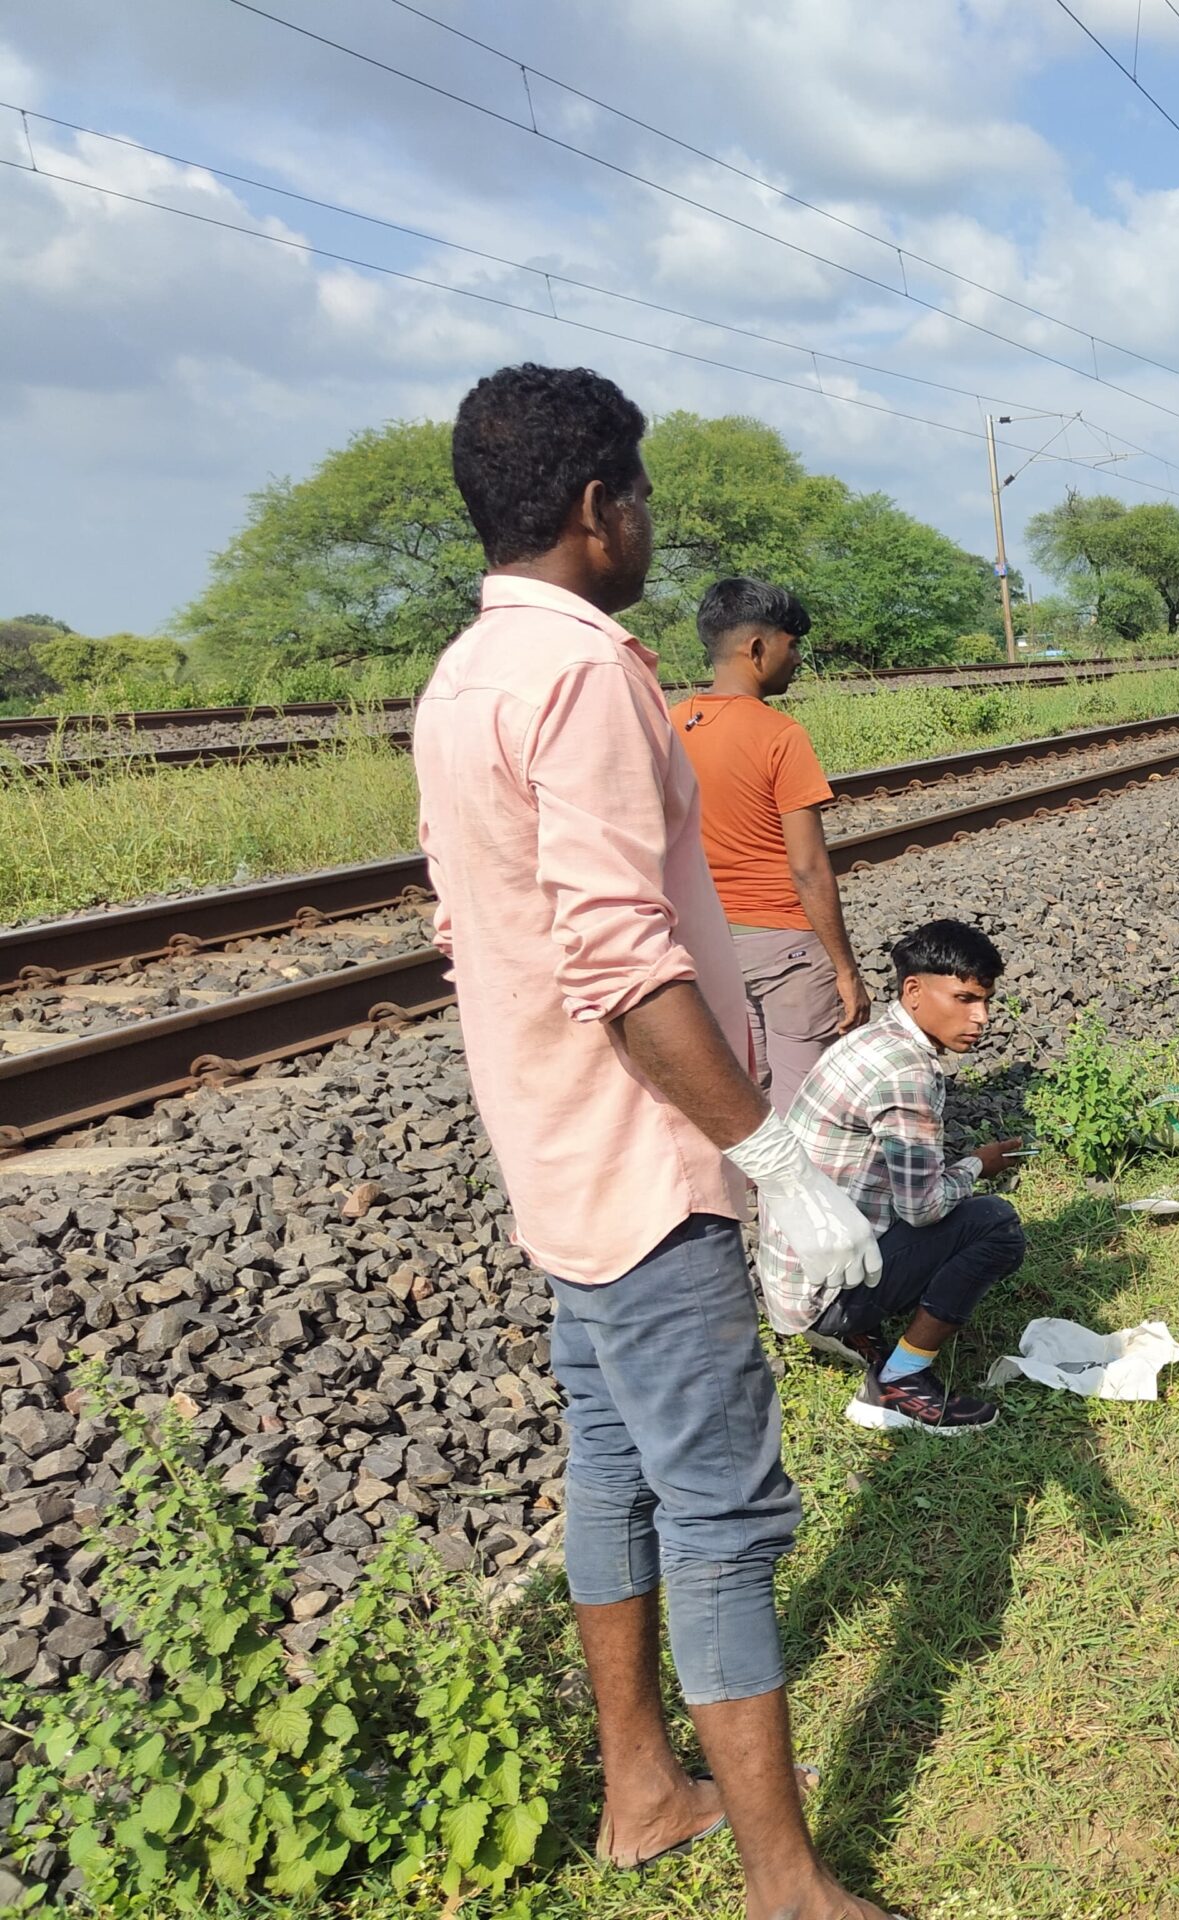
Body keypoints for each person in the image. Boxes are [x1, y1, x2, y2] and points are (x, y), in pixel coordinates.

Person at [415, 363, 898, 1920]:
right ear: (593, 509)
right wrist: (771, 1154)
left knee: (610, 1467)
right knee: (724, 1512)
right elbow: (626, 963)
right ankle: (787, 1888)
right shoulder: (586, 678)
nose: (645, 524)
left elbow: (472, 930)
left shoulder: (461, 679)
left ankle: (642, 1789)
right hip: (644, 1165)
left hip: (552, 1155)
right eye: (638, 496)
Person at [786, 919, 1028, 1432]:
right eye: (964, 999)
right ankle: (897, 1383)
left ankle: (855, 1328)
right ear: (913, 990)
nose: (981, 1017)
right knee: (995, 1226)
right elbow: (923, 1209)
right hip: (826, 1292)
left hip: (796, 1272)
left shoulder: (874, 1039)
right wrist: (976, 1167)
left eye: (985, 1001)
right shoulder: (908, 1072)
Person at [670, 577, 870, 1115]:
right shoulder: (780, 735)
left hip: (709, 941)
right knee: (807, 1111)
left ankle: (758, 1200)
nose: (798, 657)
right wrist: (845, 969)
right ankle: (799, 1200)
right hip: (785, 948)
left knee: (749, 1100)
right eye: (793, 643)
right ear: (757, 649)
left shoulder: (670, 726)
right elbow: (807, 869)